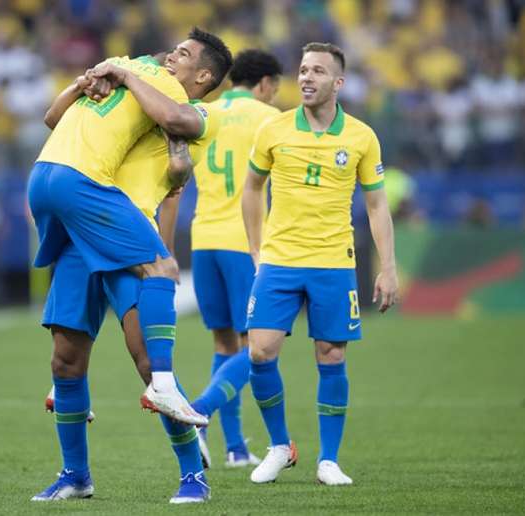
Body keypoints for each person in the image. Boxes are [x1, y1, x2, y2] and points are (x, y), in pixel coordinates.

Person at [28, 28, 231, 503]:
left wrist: (120, 73)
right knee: (66, 356)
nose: (172, 57)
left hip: (128, 229)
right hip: (87, 223)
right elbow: (65, 119)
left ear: (203, 76)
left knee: (146, 359)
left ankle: (192, 477)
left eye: (183, 55)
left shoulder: (200, 114)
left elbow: (177, 158)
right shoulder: (140, 93)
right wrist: (94, 81)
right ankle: (75, 474)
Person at [241, 43, 398, 486]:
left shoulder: (361, 137)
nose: (307, 78)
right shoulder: (274, 130)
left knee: (330, 355)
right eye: (303, 69)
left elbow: (376, 204)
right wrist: (257, 251)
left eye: (318, 71)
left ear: (338, 83)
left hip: (333, 261)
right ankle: (279, 446)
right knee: (259, 350)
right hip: (280, 259)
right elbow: (252, 189)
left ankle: (328, 460)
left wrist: (388, 267)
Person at [185, 49, 282, 469]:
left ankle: (236, 447)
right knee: (259, 346)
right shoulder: (268, 118)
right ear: (264, 85)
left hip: (203, 237)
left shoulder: (204, 113)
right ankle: (198, 412)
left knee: (224, 342)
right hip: (246, 242)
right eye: (274, 89)